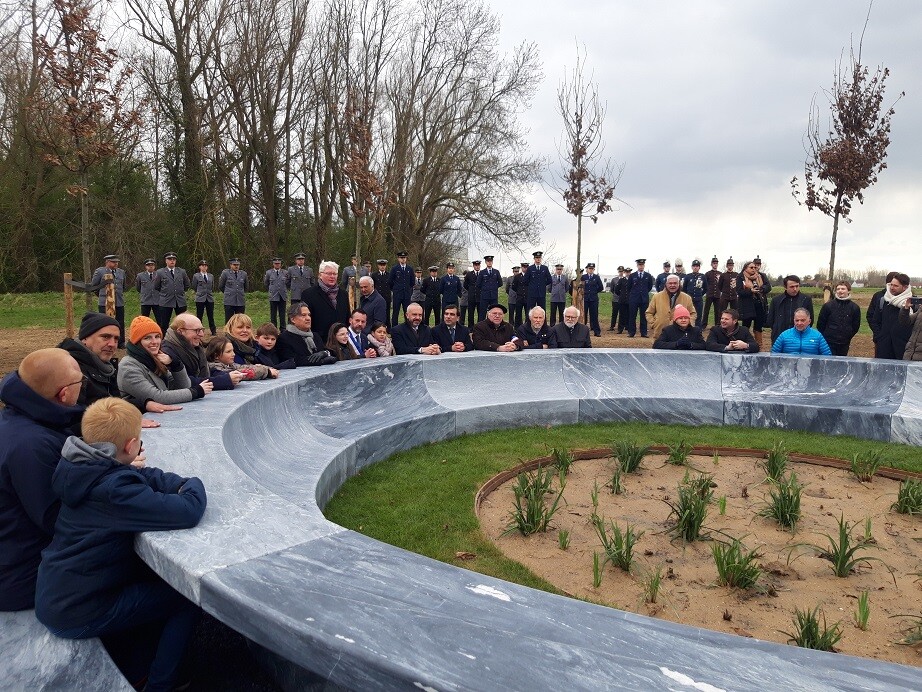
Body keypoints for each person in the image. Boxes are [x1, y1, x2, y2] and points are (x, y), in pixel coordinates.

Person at [34, 397, 205, 692]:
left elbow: (137, 475)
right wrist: (192, 484)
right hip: (78, 610)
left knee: (152, 588)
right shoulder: (113, 491)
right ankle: (160, 684)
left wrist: (169, 482)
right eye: (140, 444)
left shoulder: (81, 467)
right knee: (185, 597)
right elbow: (187, 510)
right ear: (131, 446)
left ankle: (139, 667)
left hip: (60, 593)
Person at [0, 349, 84, 611]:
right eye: (80, 382)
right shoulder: (33, 445)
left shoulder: (20, 418)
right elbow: (58, 519)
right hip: (21, 575)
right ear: (64, 393)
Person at [118, 316, 214, 409]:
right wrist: (196, 392)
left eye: (157, 336)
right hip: (139, 418)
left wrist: (176, 365)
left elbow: (184, 386)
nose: (154, 342)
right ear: (137, 342)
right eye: (147, 338)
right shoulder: (129, 366)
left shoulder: (157, 359)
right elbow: (156, 397)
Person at [161, 313, 246, 389]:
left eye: (202, 330)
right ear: (180, 331)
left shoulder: (194, 346)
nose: (202, 334)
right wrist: (224, 380)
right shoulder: (167, 352)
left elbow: (208, 371)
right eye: (197, 330)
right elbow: (184, 382)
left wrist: (230, 375)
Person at [868, 272, 913, 360]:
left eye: (896, 286)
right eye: (891, 285)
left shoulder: (912, 303)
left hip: (904, 347)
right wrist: (879, 337)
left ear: (905, 287)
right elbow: (875, 321)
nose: (892, 288)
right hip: (884, 347)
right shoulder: (883, 300)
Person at [303, 260, 351, 344]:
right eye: (329, 274)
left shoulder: (343, 294)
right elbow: (306, 321)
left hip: (340, 342)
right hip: (319, 341)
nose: (332, 276)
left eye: (335, 274)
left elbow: (347, 318)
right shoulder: (308, 294)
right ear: (320, 275)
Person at [89, 254, 127, 348]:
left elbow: (123, 286)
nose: (116, 264)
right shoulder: (100, 271)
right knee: (104, 322)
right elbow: (94, 286)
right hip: (105, 302)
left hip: (118, 301)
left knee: (120, 322)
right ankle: (105, 341)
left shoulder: (121, 272)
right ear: (107, 262)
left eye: (117, 262)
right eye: (113, 262)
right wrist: (102, 295)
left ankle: (120, 342)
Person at [816, 281, 861, 356]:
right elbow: (820, 324)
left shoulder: (854, 307)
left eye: (843, 289)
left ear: (848, 291)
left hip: (844, 343)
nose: (840, 291)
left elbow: (855, 326)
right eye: (838, 289)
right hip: (829, 342)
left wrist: (848, 335)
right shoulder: (828, 306)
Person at [645, 274, 696, 340]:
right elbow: (649, 313)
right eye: (670, 283)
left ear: (679, 284)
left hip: (680, 334)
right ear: (666, 284)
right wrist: (654, 324)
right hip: (660, 332)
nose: (672, 285)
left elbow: (693, 313)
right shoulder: (656, 297)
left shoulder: (687, 298)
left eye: (675, 283)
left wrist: (688, 323)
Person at [767, 275, 814, 345]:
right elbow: (770, 320)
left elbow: (810, 319)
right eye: (792, 287)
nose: (795, 289)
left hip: (800, 338)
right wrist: (776, 329)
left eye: (797, 286)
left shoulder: (806, 300)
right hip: (779, 337)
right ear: (785, 287)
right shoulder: (776, 300)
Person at [153, 252, 190, 333]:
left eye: (174, 259)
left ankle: (181, 338)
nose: (172, 261)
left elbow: (187, 284)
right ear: (166, 261)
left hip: (180, 301)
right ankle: (164, 339)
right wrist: (165, 293)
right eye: (170, 259)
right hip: (166, 301)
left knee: (182, 323)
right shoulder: (160, 272)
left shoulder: (181, 271)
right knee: (164, 324)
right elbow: (156, 286)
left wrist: (180, 292)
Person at [737, 259, 770, 349]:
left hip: (759, 305)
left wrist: (761, 289)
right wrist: (750, 291)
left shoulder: (761, 276)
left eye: (755, 267)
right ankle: (744, 345)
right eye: (751, 267)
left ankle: (759, 346)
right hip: (747, 305)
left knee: (758, 327)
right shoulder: (740, 277)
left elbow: (768, 287)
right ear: (745, 268)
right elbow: (739, 291)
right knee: (746, 326)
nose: (754, 269)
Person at [206, 337, 275, 379]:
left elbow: (244, 367)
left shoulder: (230, 364)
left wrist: (267, 368)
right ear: (216, 356)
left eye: (233, 351)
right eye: (228, 352)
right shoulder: (214, 368)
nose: (233, 354)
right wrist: (267, 372)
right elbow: (239, 373)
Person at [626, 258, 654, 337]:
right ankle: (631, 332)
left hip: (644, 299)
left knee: (643, 316)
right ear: (637, 265)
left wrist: (644, 293)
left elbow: (649, 287)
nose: (641, 266)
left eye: (642, 265)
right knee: (632, 316)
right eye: (639, 265)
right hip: (634, 299)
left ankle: (643, 332)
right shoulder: (632, 275)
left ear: (644, 266)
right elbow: (629, 287)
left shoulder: (648, 276)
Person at [190, 260, 217, 336]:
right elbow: (194, 286)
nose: (204, 267)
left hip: (209, 298)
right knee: (199, 315)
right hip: (200, 298)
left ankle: (213, 330)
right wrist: (199, 292)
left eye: (205, 265)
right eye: (202, 265)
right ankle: (199, 330)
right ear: (199, 267)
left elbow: (212, 286)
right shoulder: (196, 276)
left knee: (210, 315)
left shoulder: (211, 276)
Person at [218, 258, 248, 323]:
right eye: (234, 265)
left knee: (240, 320)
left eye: (238, 265)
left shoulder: (243, 274)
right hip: (229, 301)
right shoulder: (225, 273)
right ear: (231, 265)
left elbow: (246, 287)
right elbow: (221, 286)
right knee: (229, 320)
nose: (236, 266)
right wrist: (228, 292)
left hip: (240, 300)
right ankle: (229, 330)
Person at [389, 252, 415, 325]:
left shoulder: (409, 269)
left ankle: (407, 327)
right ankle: (394, 328)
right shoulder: (394, 268)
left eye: (404, 258)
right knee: (395, 312)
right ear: (398, 259)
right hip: (397, 294)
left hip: (406, 294)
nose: (403, 259)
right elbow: (390, 281)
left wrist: (408, 289)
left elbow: (412, 282)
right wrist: (395, 289)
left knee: (407, 312)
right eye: (401, 258)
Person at [581, 263, 605, 337]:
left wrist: (594, 291)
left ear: (594, 269)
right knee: (584, 315)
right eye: (589, 268)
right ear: (587, 269)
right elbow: (580, 286)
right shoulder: (583, 277)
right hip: (585, 299)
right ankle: (582, 331)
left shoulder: (596, 277)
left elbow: (601, 287)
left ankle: (596, 331)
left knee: (594, 315)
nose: (591, 270)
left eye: (592, 269)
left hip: (593, 299)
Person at [264, 258, 289, 330]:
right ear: (273, 264)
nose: (277, 265)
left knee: (282, 314)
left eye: (278, 263)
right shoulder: (269, 272)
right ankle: (273, 329)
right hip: (273, 296)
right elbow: (266, 283)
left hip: (282, 295)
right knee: (273, 314)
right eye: (276, 263)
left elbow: (288, 283)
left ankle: (283, 329)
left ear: (280, 264)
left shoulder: (285, 272)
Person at [476, 256, 502, 321]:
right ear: (485, 262)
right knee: (482, 313)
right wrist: (485, 288)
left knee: (493, 312)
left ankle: (492, 325)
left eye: (491, 261)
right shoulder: (482, 272)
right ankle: (481, 326)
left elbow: (500, 283)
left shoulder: (496, 272)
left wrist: (494, 287)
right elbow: (478, 284)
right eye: (488, 261)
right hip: (484, 296)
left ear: (492, 262)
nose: (489, 262)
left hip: (493, 296)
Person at [682, 259, 707, 328]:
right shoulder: (688, 276)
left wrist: (700, 294)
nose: (695, 267)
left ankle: (698, 330)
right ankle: (688, 329)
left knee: (698, 316)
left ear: (699, 267)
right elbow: (684, 289)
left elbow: (705, 288)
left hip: (699, 300)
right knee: (689, 315)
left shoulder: (702, 276)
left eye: (697, 266)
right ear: (692, 267)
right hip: (689, 300)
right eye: (694, 266)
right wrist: (687, 296)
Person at [702, 256, 722, 327]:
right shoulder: (708, 274)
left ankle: (717, 325)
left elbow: (722, 284)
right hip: (709, 294)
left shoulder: (720, 273)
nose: (715, 264)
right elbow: (704, 284)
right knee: (706, 310)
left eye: (716, 263)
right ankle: (704, 325)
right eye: (714, 263)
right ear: (711, 264)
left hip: (717, 295)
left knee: (717, 311)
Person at [370, 259, 392, 323]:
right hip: (378, 296)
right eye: (381, 265)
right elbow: (372, 285)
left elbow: (391, 285)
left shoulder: (389, 275)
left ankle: (388, 326)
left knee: (387, 313)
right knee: (377, 312)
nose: (382, 266)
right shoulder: (374, 275)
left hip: (386, 296)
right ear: (378, 266)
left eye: (384, 265)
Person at [463, 260, 482, 327]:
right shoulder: (469, 274)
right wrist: (471, 290)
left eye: (478, 265)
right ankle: (470, 327)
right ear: (473, 266)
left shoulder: (482, 273)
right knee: (471, 313)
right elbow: (465, 285)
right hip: (471, 297)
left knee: (480, 313)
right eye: (476, 265)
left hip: (480, 296)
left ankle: (479, 327)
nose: (477, 266)